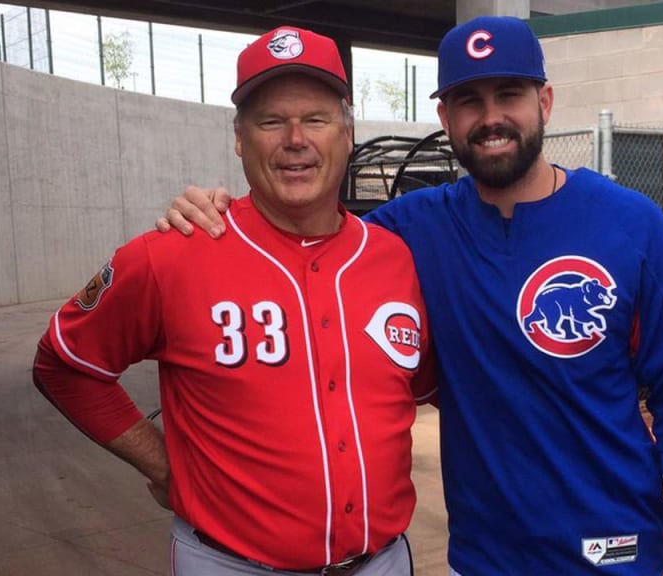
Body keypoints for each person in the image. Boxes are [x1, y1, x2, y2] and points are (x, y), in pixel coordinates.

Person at [160, 16, 663, 576]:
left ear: (544, 101)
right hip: (483, 559)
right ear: (445, 118)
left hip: (616, 551)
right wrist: (218, 214)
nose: (491, 117)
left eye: (509, 94)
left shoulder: (630, 224)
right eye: (468, 101)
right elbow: (307, 235)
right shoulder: (411, 230)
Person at [33, 25, 436, 576]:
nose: (295, 139)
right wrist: (165, 463)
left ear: (348, 131)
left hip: (383, 562)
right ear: (240, 138)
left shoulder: (394, 258)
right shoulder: (172, 254)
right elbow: (64, 363)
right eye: (271, 121)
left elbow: (425, 386)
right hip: (230, 563)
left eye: (316, 118)